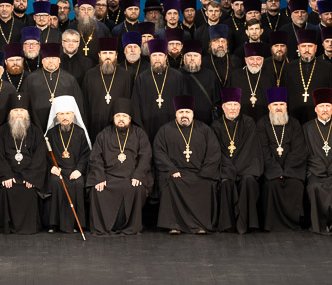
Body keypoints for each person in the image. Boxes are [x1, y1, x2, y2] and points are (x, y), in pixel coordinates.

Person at [151, 95, 219, 234]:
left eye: (187, 112)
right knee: (170, 182)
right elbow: (159, 152)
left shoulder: (204, 130)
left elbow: (214, 153)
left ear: (192, 114)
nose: (184, 115)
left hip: (199, 172)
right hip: (176, 172)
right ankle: (174, 225)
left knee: (205, 183)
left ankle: (201, 225)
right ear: (176, 114)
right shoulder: (165, 130)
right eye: (181, 112)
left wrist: (205, 172)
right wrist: (171, 169)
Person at [86, 107, 152, 236]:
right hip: (108, 177)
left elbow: (146, 156)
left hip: (131, 177)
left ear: (130, 119)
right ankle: (102, 228)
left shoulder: (140, 134)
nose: (121, 119)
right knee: (97, 190)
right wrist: (99, 177)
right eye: (118, 116)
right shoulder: (104, 134)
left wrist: (138, 175)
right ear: (113, 118)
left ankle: (131, 227)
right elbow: (95, 158)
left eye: (124, 116)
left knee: (137, 189)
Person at [214, 87, 266, 233]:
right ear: (223, 107)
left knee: (248, 180)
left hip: (245, 168)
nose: (232, 108)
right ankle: (227, 225)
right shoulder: (216, 126)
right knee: (225, 182)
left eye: (235, 105)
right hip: (225, 168)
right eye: (229, 104)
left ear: (240, 106)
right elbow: (216, 152)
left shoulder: (248, 123)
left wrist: (236, 169)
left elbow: (250, 149)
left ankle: (246, 224)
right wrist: (229, 169)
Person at [301, 86, 332, 234]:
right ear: (315, 109)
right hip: (316, 170)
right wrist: (320, 167)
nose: (325, 110)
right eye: (321, 106)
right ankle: (320, 225)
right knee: (314, 186)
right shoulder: (307, 128)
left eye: (328, 106)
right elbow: (304, 152)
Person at [41, 95, 90, 235]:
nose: (65, 117)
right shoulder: (51, 133)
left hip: (74, 170)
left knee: (78, 183)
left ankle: (76, 224)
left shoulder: (80, 132)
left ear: (73, 114)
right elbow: (45, 154)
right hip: (58, 171)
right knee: (55, 183)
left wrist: (79, 170)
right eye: (61, 114)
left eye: (68, 113)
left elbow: (85, 154)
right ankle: (53, 223)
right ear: (56, 116)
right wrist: (52, 167)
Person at [0, 104, 45, 234]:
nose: (19, 113)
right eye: (15, 110)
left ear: (27, 114)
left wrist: (31, 177)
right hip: (9, 174)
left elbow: (39, 157)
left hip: (29, 175)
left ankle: (28, 227)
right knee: (5, 189)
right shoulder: (2, 131)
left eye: (22, 110)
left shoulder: (35, 132)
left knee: (30, 190)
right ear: (10, 113)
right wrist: (6, 175)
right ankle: (7, 226)